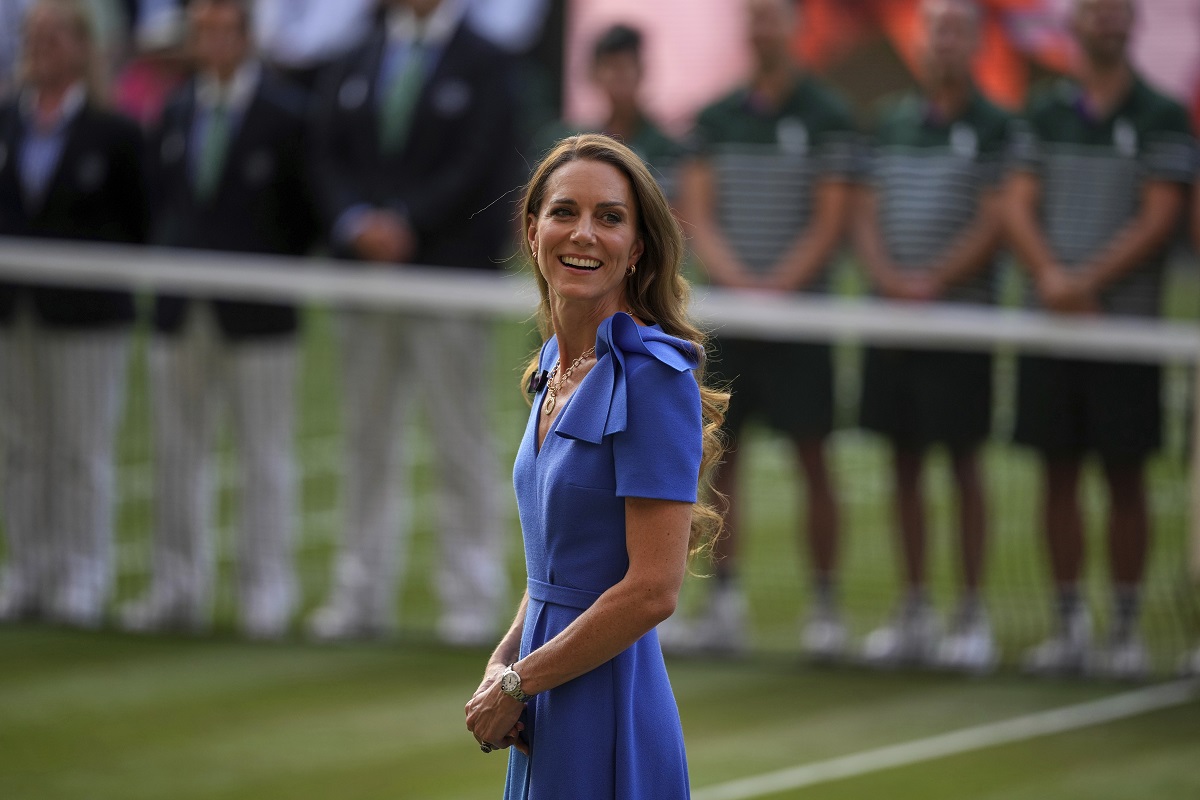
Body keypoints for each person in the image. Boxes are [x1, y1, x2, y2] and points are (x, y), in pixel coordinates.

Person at [463, 132, 727, 800]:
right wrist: (504, 659)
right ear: (532, 232)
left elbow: (653, 590)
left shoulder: (653, 378)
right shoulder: (554, 365)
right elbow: (558, 566)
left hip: (607, 698)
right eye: (564, 212)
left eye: (609, 217)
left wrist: (519, 680)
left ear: (635, 248)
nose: (583, 233)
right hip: (543, 689)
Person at [306, 0, 521, 645]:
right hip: (366, 279)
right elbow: (324, 152)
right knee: (366, 439)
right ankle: (359, 592)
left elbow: (485, 163)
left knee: (460, 437)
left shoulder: (486, 61)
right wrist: (355, 223)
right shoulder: (356, 53)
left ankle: (470, 597)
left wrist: (408, 222)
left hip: (448, 276)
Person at [1005, 0, 1194, 679]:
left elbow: (1160, 218)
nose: (1108, 22)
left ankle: (1127, 628)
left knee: (1126, 477)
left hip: (1125, 337)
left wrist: (1083, 283)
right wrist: (1052, 279)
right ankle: (1068, 626)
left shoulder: (1162, 114)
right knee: (1057, 475)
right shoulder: (1043, 111)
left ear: (1133, 24)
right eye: (1096, 11)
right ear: (1075, 24)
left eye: (1119, 12)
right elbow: (1017, 203)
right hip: (1051, 332)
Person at [117, 0, 315, 639]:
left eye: (225, 29)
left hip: (260, 313)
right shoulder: (175, 110)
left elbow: (303, 212)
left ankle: (265, 592)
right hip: (181, 308)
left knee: (264, 455)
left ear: (247, 37)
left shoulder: (286, 114)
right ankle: (177, 586)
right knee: (177, 452)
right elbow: (158, 203)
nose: (214, 41)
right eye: (203, 30)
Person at [674, 0, 856, 656]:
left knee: (814, 459)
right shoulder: (717, 117)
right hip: (732, 322)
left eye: (774, 16)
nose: (763, 29)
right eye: (754, 17)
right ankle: (723, 603)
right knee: (722, 461)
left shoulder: (828, 114)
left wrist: (779, 287)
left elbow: (832, 218)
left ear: (795, 27)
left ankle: (826, 608)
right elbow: (698, 211)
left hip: (801, 322)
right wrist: (740, 285)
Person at [852, 0, 1008, 672]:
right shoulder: (890, 121)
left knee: (963, 464)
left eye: (956, 31)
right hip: (893, 327)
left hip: (960, 326)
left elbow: (998, 219)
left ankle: (970, 613)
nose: (944, 42)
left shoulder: (997, 126)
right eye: (935, 30)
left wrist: (935, 281)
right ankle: (914, 608)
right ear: (920, 42)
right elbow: (864, 211)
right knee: (904, 464)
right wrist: (890, 278)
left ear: (974, 44)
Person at [0, 0, 148, 627]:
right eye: (32, 36)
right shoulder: (7, 122)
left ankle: (83, 574)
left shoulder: (113, 132)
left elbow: (138, 224)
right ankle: (27, 570)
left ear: (83, 47)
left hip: (87, 316)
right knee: (19, 446)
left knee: (81, 449)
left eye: (54, 36)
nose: (41, 47)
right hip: (14, 310)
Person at [533, 24, 686, 196]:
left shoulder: (672, 147)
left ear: (641, 70)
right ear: (594, 73)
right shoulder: (568, 140)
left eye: (626, 66)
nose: (619, 75)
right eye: (611, 66)